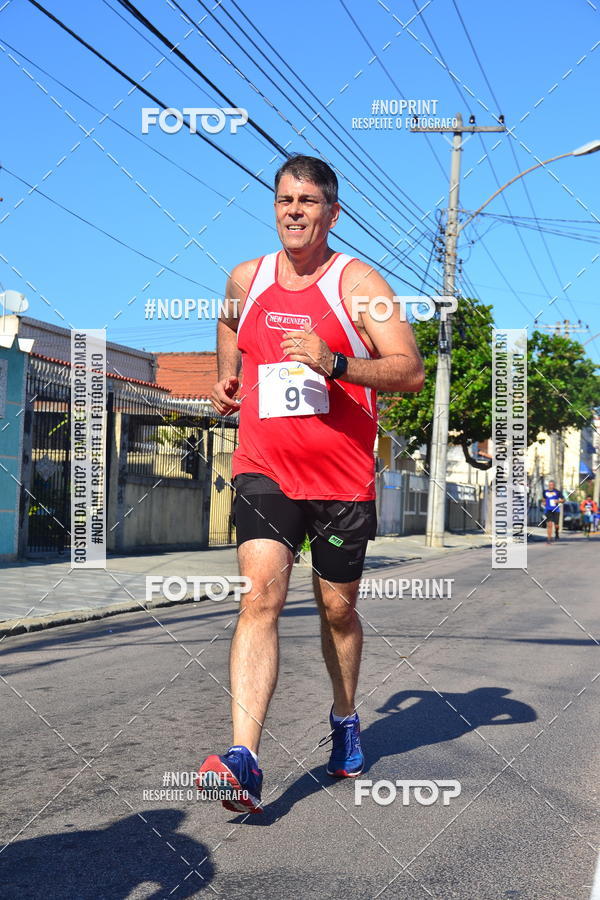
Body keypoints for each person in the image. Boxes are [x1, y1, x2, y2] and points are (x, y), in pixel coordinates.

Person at [197, 154, 424, 813]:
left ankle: (346, 715)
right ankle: (244, 758)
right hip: (265, 468)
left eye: (308, 200)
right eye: (283, 199)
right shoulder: (249, 277)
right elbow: (228, 322)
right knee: (259, 600)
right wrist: (227, 375)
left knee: (337, 610)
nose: (294, 210)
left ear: (332, 212)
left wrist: (338, 362)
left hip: (342, 480)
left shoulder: (359, 283)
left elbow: (408, 369)